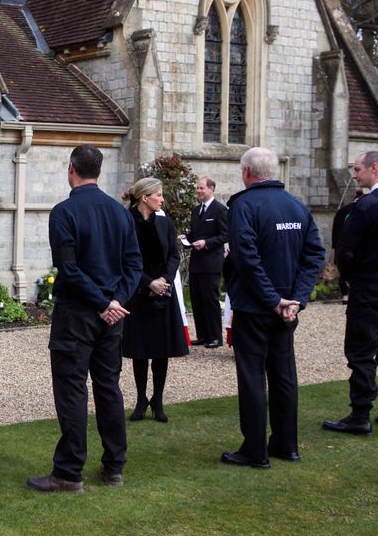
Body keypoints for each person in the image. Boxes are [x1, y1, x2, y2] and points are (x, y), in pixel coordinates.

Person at [27, 145, 142, 493]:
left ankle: (69, 471)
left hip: (79, 314)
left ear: (71, 169)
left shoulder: (64, 212)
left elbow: (68, 268)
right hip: (110, 315)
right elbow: (134, 266)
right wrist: (115, 301)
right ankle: (114, 466)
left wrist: (105, 302)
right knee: (108, 388)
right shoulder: (120, 213)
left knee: (73, 390)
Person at [222, 147, 325, 469]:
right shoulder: (296, 205)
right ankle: (286, 443)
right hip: (283, 307)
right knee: (283, 375)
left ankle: (256, 450)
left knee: (253, 377)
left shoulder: (244, 205)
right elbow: (314, 256)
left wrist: (279, 299)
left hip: (257, 307)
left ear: (247, 173)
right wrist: (294, 298)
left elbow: (246, 259)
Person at [323, 151, 378, 434]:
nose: (355, 175)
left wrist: (349, 278)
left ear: (374, 168)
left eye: (358, 169)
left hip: (370, 283)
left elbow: (345, 250)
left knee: (360, 350)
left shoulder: (367, 205)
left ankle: (360, 415)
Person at [121, 178, 188, 423]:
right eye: (158, 195)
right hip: (138, 292)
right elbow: (126, 259)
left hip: (163, 291)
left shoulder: (165, 222)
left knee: (161, 350)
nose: (162, 199)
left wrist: (163, 282)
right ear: (145, 197)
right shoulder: (127, 223)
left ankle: (157, 401)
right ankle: (141, 399)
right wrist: (148, 282)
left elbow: (173, 255)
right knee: (140, 350)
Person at [187, 177, 228, 348]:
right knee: (197, 299)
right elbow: (195, 234)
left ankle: (215, 337)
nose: (198, 191)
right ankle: (203, 335)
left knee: (210, 299)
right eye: (197, 188)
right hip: (196, 262)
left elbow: (225, 235)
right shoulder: (196, 211)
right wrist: (186, 238)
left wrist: (207, 243)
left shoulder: (220, 210)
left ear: (212, 189)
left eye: (202, 188)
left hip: (211, 262)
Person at [331, 189, 363, 303]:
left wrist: (334, 248)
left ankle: (345, 295)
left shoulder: (342, 211)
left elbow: (335, 232)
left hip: (341, 245)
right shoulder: (363, 210)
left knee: (343, 269)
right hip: (357, 246)